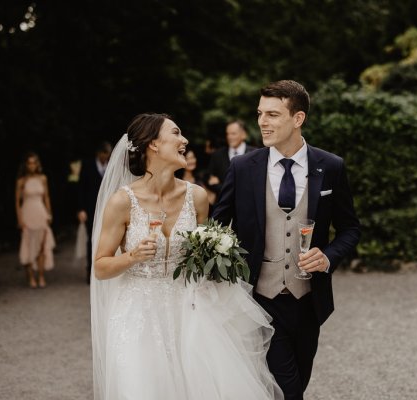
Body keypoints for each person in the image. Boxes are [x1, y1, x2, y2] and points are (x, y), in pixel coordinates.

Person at [90, 113, 283, 400]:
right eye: (176, 134)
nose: (185, 141)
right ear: (153, 145)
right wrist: (132, 256)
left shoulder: (198, 197)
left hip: (192, 312)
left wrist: (219, 256)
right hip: (139, 318)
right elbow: (101, 267)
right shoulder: (122, 201)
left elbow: (202, 256)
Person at [213, 80, 361, 399]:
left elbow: (350, 229)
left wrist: (329, 256)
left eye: (273, 114)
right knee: (288, 390)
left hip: (310, 300)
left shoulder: (331, 167)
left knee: (297, 381)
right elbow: (216, 226)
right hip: (260, 298)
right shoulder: (242, 168)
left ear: (298, 119)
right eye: (260, 114)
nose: (262, 122)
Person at [15, 152, 56, 288]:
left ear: (37, 164)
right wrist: (20, 219)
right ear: (26, 165)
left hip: (40, 213)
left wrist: (49, 214)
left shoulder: (43, 178)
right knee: (28, 244)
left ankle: (41, 276)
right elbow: (17, 202)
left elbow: (47, 198)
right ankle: (31, 277)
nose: (32, 166)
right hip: (27, 213)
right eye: (29, 163)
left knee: (42, 245)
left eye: (34, 163)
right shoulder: (21, 181)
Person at [78, 141, 112, 284]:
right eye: (104, 154)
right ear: (99, 153)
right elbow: (80, 188)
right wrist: (81, 209)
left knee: (105, 238)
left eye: (108, 154)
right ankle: (90, 270)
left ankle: (105, 269)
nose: (106, 156)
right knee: (91, 240)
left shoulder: (112, 166)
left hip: (108, 209)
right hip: (90, 209)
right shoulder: (87, 165)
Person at [206, 119, 256, 201]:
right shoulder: (217, 155)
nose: (229, 137)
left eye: (233, 134)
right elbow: (209, 180)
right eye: (227, 134)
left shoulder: (255, 154)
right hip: (224, 205)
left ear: (244, 135)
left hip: (249, 205)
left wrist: (223, 186)